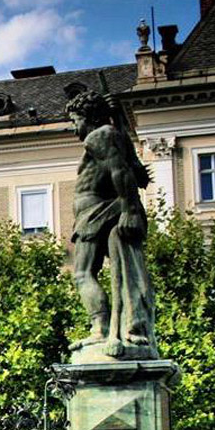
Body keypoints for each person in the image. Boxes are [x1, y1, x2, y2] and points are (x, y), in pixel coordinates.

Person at [64, 91, 158, 360]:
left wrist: (129, 210)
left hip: (98, 212)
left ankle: (100, 328)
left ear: (89, 117)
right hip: (104, 210)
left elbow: (121, 172)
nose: (74, 129)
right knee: (114, 270)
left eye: (75, 121)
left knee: (82, 273)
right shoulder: (115, 135)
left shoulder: (99, 136)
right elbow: (139, 174)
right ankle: (113, 326)